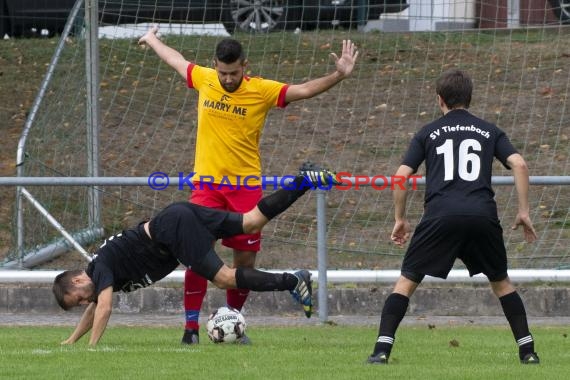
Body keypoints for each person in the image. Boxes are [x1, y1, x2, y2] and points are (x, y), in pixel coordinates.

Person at [138, 26, 358, 345]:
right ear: (215, 66)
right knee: (197, 256)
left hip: (245, 188)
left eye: (234, 72)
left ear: (245, 66)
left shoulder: (262, 90)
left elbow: (304, 90)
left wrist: (339, 75)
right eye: (223, 72)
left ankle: (233, 323)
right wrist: (153, 39)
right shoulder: (204, 79)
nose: (228, 79)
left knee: (244, 262)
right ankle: (190, 329)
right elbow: (175, 59)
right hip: (207, 186)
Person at [52, 165, 339, 346]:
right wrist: (71, 340)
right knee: (250, 221)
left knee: (225, 278)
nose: (85, 302)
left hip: (173, 232)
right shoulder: (100, 274)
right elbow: (95, 307)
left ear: (77, 280)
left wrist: (92, 349)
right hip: (177, 218)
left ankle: (294, 281)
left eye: (79, 298)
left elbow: (104, 308)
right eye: (79, 304)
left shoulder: (99, 268)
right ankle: (303, 181)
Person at [366, 69, 540, 365]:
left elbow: (401, 176)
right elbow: (519, 164)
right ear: (469, 99)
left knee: (406, 282)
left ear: (440, 100)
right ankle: (528, 353)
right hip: (481, 215)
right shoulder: (489, 130)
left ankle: (381, 352)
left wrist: (400, 218)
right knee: (501, 283)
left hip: (440, 216)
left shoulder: (427, 132)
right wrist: (523, 212)